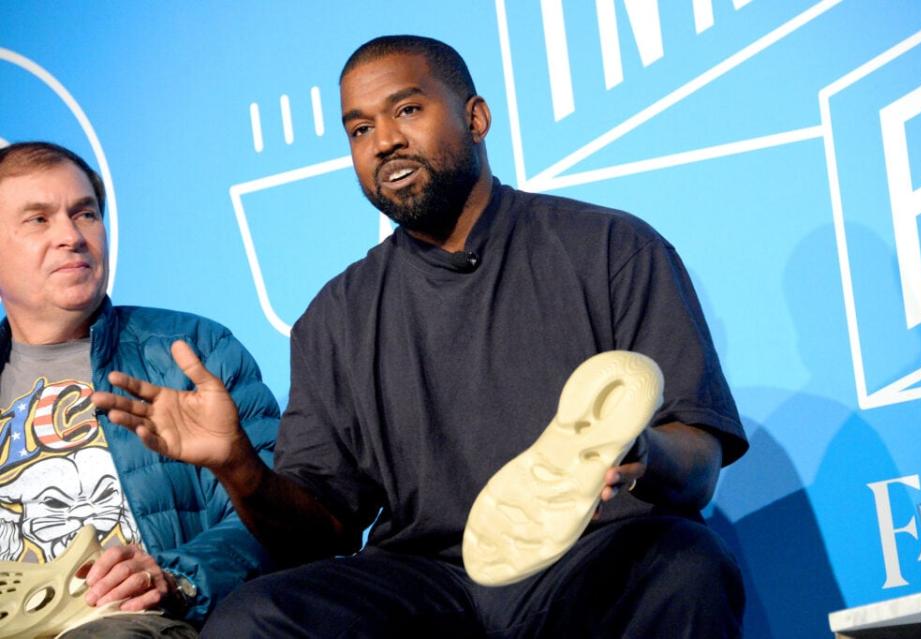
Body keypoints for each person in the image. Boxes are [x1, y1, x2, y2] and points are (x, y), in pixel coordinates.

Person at [93, 35, 748, 637]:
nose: (382, 141)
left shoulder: (609, 248)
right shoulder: (334, 316)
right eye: (359, 128)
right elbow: (318, 532)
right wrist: (237, 464)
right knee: (256, 618)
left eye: (406, 111)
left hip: (589, 559)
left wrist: (640, 449)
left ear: (475, 117)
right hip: (427, 583)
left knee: (686, 563)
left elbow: (697, 463)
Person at [0, 141, 279, 638]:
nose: (71, 236)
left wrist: (175, 577)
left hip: (136, 624)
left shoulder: (190, 351)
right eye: (38, 220)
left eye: (84, 214)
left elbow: (275, 524)